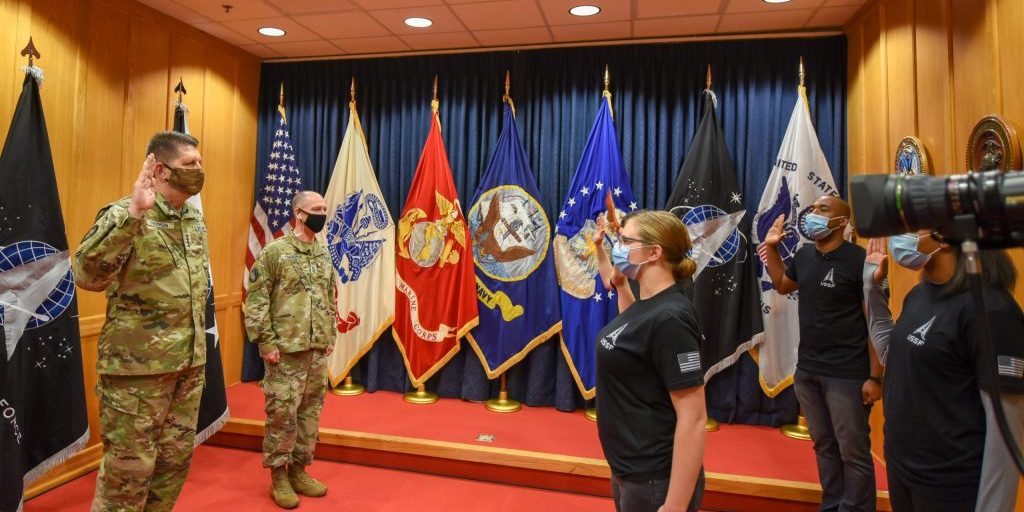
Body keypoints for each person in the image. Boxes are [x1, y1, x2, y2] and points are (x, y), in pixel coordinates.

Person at [74, 131, 209, 511]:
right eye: (189, 164)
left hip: (187, 368)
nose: (199, 170)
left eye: (199, 163)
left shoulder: (193, 222)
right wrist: (134, 215)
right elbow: (87, 276)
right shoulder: (126, 213)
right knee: (126, 480)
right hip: (137, 377)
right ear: (162, 170)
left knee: (171, 468)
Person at [863, 232, 1024, 511]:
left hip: (950, 486)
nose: (902, 237)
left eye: (913, 226)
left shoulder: (991, 310)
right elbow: (890, 354)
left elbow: (1006, 433)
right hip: (904, 469)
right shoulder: (920, 294)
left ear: (945, 238)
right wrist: (872, 287)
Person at [758, 195, 880, 512]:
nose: (813, 213)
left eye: (822, 209)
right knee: (824, 445)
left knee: (852, 450)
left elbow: (875, 322)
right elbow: (783, 285)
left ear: (842, 222)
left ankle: (856, 508)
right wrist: (771, 248)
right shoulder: (805, 255)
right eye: (811, 209)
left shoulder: (859, 261)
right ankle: (832, 504)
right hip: (808, 370)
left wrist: (875, 377)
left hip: (848, 374)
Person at [591, 210, 706, 512]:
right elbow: (629, 337)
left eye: (626, 240)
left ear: (654, 252)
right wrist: (619, 283)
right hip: (629, 470)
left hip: (655, 480)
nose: (619, 246)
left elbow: (693, 418)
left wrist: (676, 505)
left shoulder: (671, 318)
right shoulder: (648, 304)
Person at [244, 190, 335, 509]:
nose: (322, 213)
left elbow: (328, 297)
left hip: (316, 351)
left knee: (310, 416)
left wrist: (329, 336)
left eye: (324, 208)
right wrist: (265, 341)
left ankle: (299, 470)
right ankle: (278, 476)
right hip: (285, 351)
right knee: (282, 415)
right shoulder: (275, 252)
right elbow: (255, 300)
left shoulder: (323, 253)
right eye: (316, 208)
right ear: (298, 213)